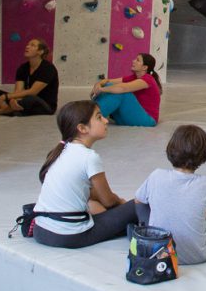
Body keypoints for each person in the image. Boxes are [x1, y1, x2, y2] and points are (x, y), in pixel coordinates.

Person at [32, 100, 138, 249]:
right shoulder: (89, 157)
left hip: (41, 230)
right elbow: (108, 200)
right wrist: (122, 203)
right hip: (69, 236)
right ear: (82, 128)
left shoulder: (61, 151)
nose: (106, 120)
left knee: (94, 204)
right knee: (139, 204)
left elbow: (90, 193)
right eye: (99, 117)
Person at [135, 125, 206, 265]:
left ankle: (149, 232)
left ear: (171, 149)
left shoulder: (156, 175)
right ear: (204, 154)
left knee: (142, 202)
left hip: (159, 251)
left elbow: (138, 201)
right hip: (199, 254)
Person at [0, 38, 59, 115]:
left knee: (30, 98)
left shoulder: (48, 68)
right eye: (27, 44)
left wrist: (5, 97)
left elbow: (33, 92)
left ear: (40, 51)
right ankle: (9, 109)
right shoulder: (23, 68)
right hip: (23, 101)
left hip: (44, 105)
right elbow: (18, 91)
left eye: (32, 45)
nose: (27, 46)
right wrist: (13, 100)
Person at [90, 53, 162, 127]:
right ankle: (91, 113)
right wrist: (99, 85)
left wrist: (101, 89)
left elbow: (123, 88)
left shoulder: (148, 79)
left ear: (144, 67)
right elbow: (108, 81)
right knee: (109, 86)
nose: (133, 61)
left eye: (138, 60)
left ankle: (91, 119)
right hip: (129, 117)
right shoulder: (134, 77)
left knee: (122, 92)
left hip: (147, 120)